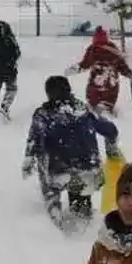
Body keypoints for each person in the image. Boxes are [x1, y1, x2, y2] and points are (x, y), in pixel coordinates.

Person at [22, 76, 120, 231]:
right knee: (81, 196)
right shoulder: (83, 110)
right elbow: (110, 130)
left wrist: (29, 161)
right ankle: (82, 223)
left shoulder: (44, 114)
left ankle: (53, 213)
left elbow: (35, 141)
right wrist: (111, 144)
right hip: (88, 168)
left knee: (44, 162)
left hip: (59, 169)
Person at [68, 27, 132, 115]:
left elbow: (85, 64)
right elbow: (122, 65)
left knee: (93, 105)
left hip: (95, 84)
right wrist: (130, 74)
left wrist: (73, 69)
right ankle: (108, 112)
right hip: (111, 84)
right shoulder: (113, 49)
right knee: (108, 104)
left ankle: (97, 114)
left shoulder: (93, 49)